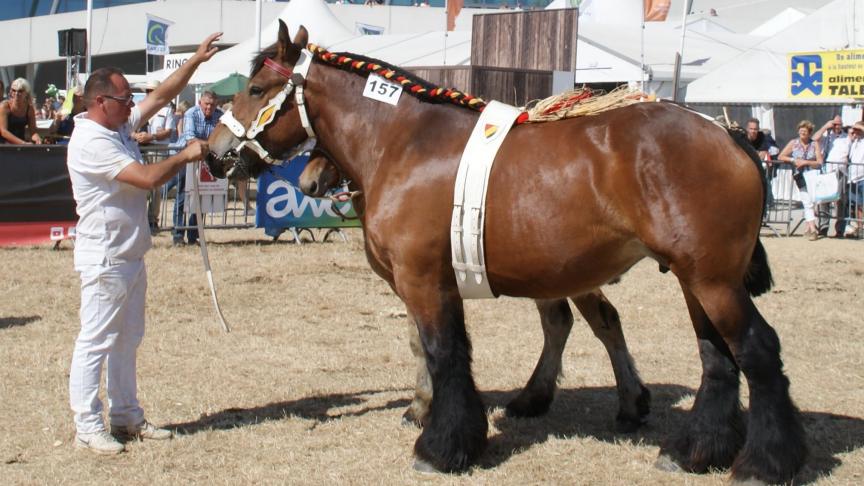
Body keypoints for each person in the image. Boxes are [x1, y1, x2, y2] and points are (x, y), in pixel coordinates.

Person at [66, 32, 222, 455]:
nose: (132, 104)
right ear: (100, 102)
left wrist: (195, 62)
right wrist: (184, 154)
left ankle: (126, 415)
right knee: (96, 340)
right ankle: (87, 424)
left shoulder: (117, 125)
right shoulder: (91, 141)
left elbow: (161, 95)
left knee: (127, 339)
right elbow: (148, 179)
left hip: (130, 253)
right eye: (124, 99)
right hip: (105, 256)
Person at [173, 90, 223, 246]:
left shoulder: (220, 115)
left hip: (204, 159)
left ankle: (193, 235)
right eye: (207, 104)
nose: (209, 107)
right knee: (182, 196)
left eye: (213, 105)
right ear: (200, 102)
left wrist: (210, 145)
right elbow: (190, 139)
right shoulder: (191, 113)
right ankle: (178, 235)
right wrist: (212, 144)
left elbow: (222, 138)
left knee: (201, 199)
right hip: (185, 157)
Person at [134, 80, 179, 233]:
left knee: (155, 185)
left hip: (158, 149)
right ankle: (139, 218)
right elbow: (128, 127)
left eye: (152, 90)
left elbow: (168, 131)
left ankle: (152, 219)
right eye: (148, 91)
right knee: (139, 185)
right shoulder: (138, 108)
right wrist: (136, 135)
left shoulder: (166, 109)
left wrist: (151, 136)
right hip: (141, 148)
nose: (149, 93)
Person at [778, 120, 823, 240]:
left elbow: (819, 162)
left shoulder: (814, 144)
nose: (802, 132)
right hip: (800, 175)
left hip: (813, 175)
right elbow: (781, 156)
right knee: (807, 202)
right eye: (801, 130)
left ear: (809, 133)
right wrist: (793, 160)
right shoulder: (793, 143)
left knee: (813, 201)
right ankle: (813, 230)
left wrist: (806, 162)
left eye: (805, 131)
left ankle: (808, 228)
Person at [0, 78, 42, 144]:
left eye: (20, 91)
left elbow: (33, 132)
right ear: (10, 92)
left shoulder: (29, 109)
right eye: (14, 90)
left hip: (20, 143)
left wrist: (37, 138)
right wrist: (23, 143)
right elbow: (3, 132)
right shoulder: (4, 106)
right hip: (4, 144)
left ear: (26, 93)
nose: (16, 93)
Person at [846, 121, 864, 238]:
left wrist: (859, 127)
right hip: (853, 177)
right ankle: (860, 227)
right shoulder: (854, 142)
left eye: (857, 129)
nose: (855, 131)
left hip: (863, 176)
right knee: (857, 204)